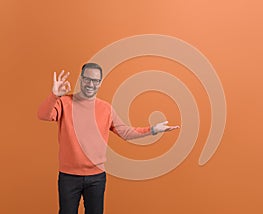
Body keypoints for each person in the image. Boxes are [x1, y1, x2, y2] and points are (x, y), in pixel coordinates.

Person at [37, 63, 179, 214]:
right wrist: (54, 95)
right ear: (81, 79)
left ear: (100, 82)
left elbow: (125, 132)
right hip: (69, 177)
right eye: (87, 79)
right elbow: (43, 115)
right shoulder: (64, 102)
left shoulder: (106, 109)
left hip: (96, 178)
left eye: (95, 81)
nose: (91, 84)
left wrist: (152, 130)